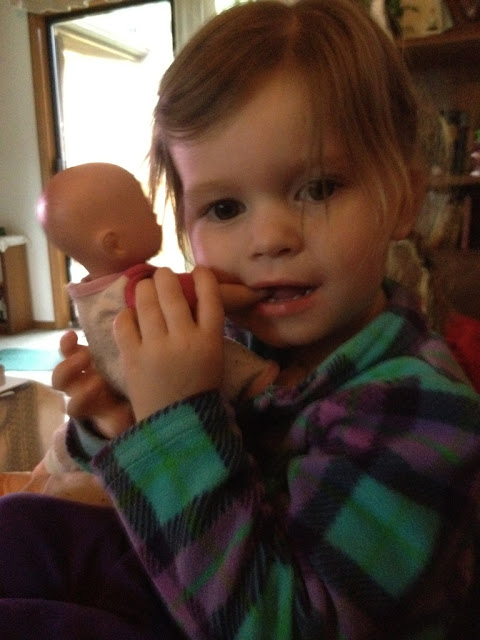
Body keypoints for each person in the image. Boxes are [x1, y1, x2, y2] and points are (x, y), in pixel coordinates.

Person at [0, 1, 479, 638]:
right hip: (187, 591)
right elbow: (152, 497)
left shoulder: (422, 411)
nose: (271, 238)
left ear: (403, 201)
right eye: (225, 208)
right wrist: (118, 421)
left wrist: (175, 421)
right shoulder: (231, 339)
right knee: (22, 530)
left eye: (319, 188)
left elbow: (286, 624)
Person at [0, 163, 277, 503]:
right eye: (224, 209)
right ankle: (268, 386)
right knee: (234, 365)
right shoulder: (137, 286)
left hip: (126, 391)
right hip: (169, 388)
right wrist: (254, 293)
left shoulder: (88, 294)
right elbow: (208, 292)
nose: (158, 221)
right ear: (114, 244)